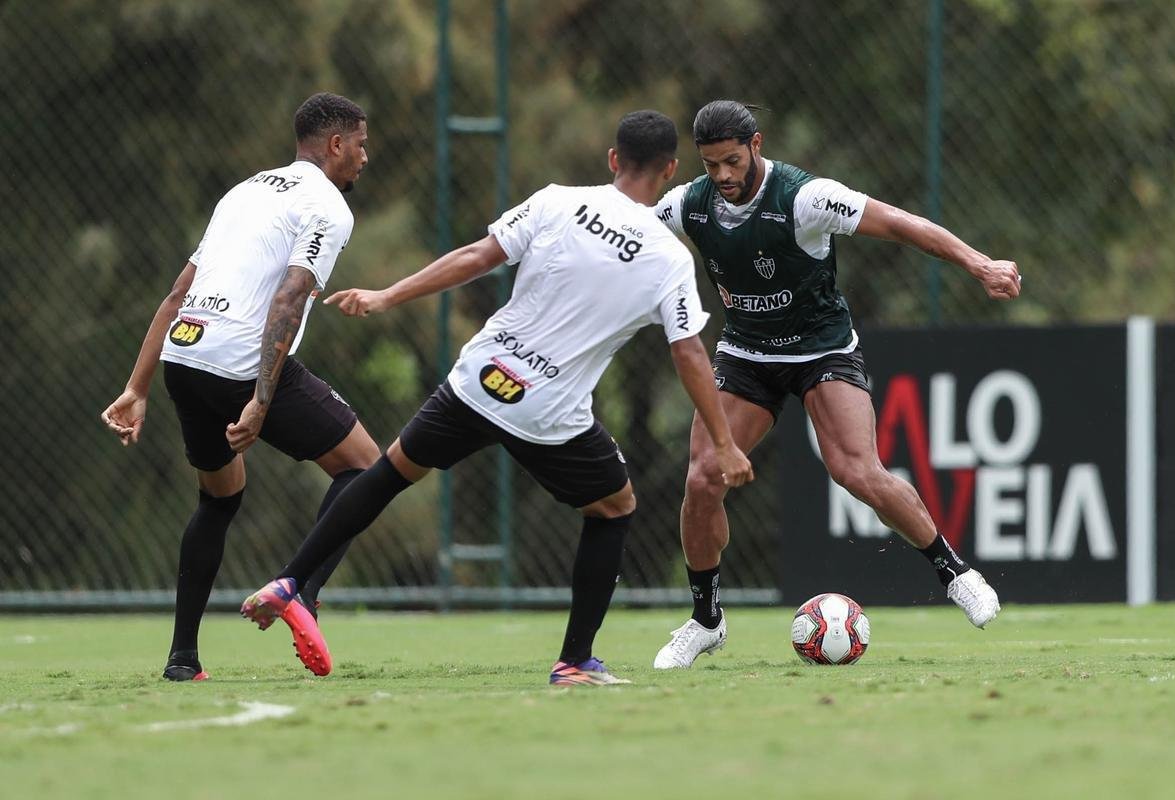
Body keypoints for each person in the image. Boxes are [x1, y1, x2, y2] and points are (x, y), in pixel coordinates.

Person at [239, 109, 755, 686]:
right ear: (670, 170)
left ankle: (291, 580)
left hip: (480, 377)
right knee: (614, 509)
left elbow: (476, 258)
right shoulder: (669, 258)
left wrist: (389, 295)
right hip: (548, 411)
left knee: (386, 472)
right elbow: (688, 354)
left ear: (613, 160)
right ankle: (575, 661)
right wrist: (725, 442)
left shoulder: (557, 200)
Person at [651, 100, 1022, 669]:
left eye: (731, 161)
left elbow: (903, 225)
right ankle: (705, 621)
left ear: (756, 144)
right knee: (703, 478)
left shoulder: (805, 197)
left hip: (822, 350)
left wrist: (979, 264)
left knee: (856, 471)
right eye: (710, 166)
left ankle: (955, 573)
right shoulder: (686, 206)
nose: (723, 177)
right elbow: (624, 239)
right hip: (746, 355)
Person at [100, 92, 380, 681]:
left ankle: (183, 660)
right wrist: (259, 396)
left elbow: (177, 296)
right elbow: (288, 298)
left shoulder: (245, 190)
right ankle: (298, 590)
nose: (364, 155)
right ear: (335, 145)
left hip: (185, 353)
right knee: (366, 468)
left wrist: (137, 386)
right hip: (236, 361)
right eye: (359, 143)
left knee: (220, 498)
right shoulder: (329, 206)